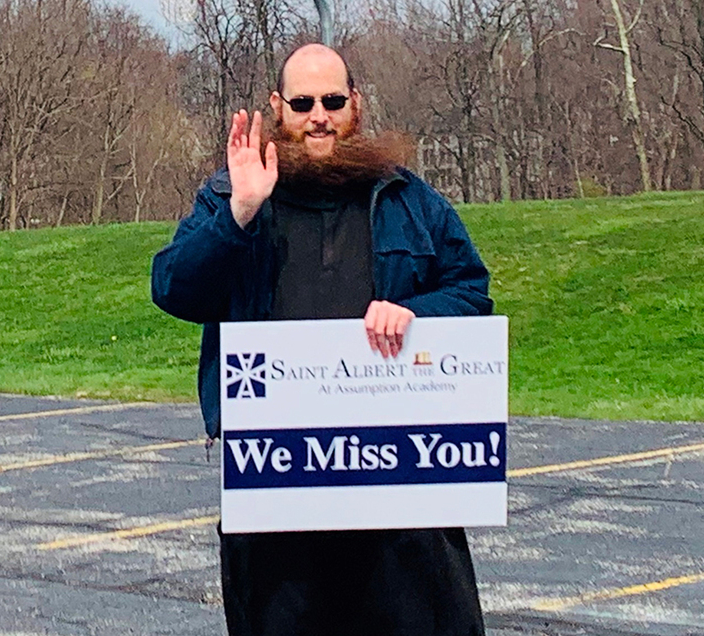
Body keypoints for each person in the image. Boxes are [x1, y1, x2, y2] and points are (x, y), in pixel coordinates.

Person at [151, 43, 493, 636]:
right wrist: (238, 213)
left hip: (398, 483)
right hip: (277, 484)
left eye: (332, 101)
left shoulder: (410, 201)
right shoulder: (233, 193)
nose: (319, 116)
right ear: (277, 107)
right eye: (303, 102)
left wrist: (418, 314)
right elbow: (175, 289)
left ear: (354, 105)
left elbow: (471, 291)